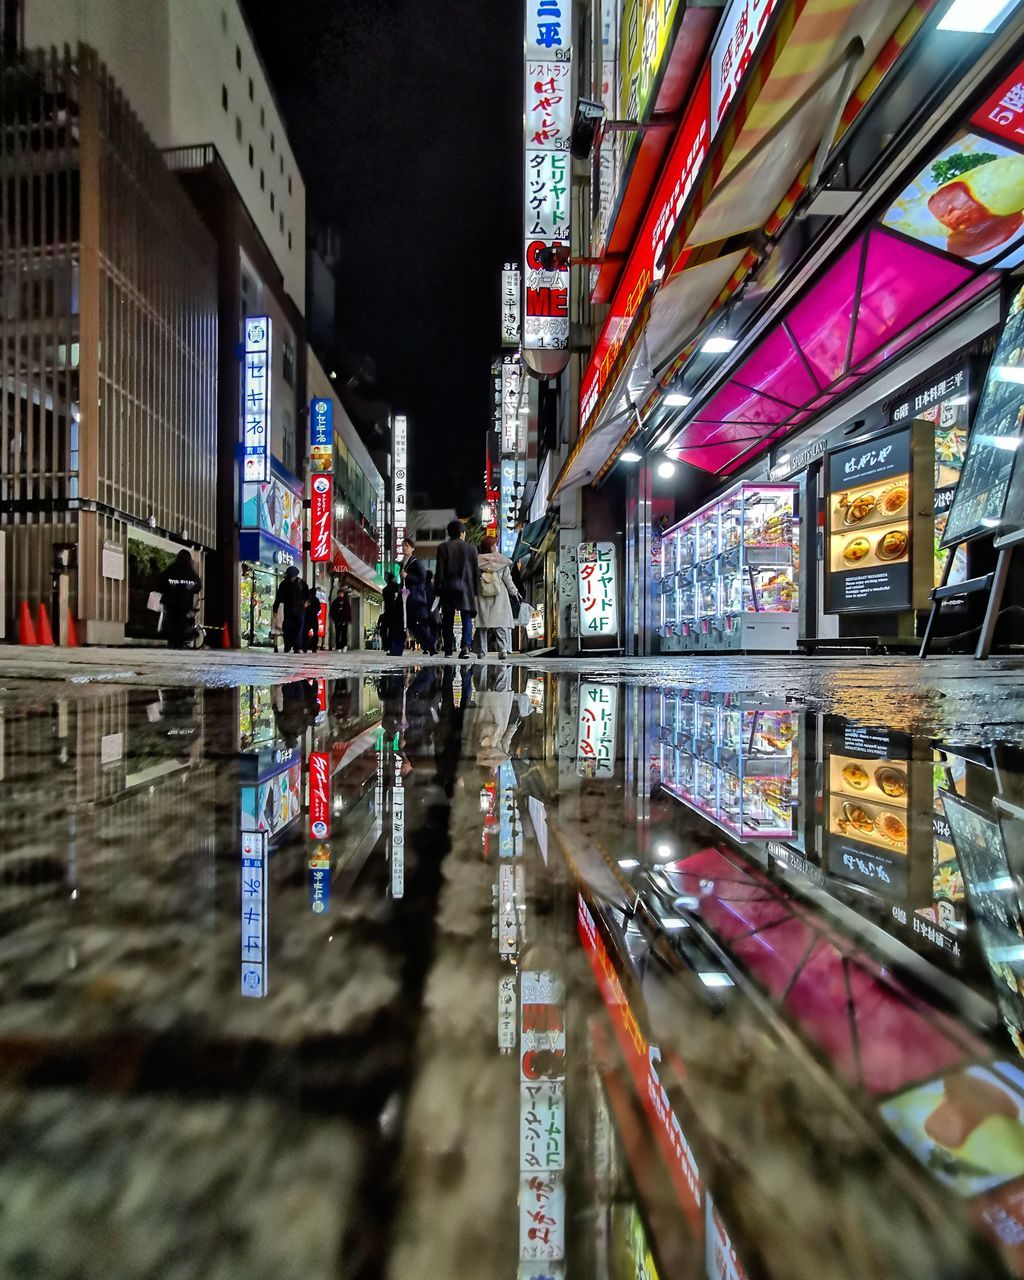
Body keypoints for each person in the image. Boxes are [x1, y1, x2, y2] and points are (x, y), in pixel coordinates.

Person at [435, 519, 479, 659]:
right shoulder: (471, 548)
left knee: (448, 619)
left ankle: (448, 649)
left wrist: (438, 589)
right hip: (466, 588)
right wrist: (476, 592)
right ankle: (466, 646)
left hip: (448, 587)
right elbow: (474, 572)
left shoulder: (443, 547)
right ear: (462, 533)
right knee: (466, 618)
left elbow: (439, 571)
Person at [473, 535, 520, 660]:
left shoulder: (477, 561)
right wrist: (514, 592)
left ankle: (482, 652)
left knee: (482, 625)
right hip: (499, 595)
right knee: (500, 624)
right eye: (495, 544)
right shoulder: (502, 561)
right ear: (493, 546)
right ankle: (502, 649)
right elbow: (507, 579)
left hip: (482, 594)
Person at [157, 548, 201, 649]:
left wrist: (169, 589)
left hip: (171, 601)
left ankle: (172, 641)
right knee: (181, 622)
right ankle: (178, 643)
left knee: (172, 620)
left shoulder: (171, 569)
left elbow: (161, 582)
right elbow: (198, 587)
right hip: (185, 602)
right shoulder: (191, 573)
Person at [400, 534, 437, 655]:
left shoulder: (416, 563)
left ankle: (431, 646)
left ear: (412, 548)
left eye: (407, 546)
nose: (404, 548)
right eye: (403, 546)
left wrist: (408, 576)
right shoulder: (403, 563)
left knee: (422, 623)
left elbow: (422, 579)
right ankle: (427, 645)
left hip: (417, 599)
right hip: (408, 599)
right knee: (411, 624)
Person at [273, 564, 309, 653]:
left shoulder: (302, 583)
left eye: (294, 576)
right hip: (288, 609)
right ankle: (288, 645)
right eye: (291, 576)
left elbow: (308, 595)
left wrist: (307, 602)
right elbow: (278, 597)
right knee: (287, 627)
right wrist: (275, 609)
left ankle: (297, 647)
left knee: (299, 628)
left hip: (300, 609)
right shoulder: (284, 584)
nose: (292, 578)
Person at [381, 572, 405, 657]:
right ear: (394, 579)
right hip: (397, 613)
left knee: (389, 631)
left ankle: (390, 648)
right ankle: (397, 650)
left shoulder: (385, 590)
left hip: (388, 612)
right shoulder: (397, 587)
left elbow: (386, 601)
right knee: (396, 632)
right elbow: (404, 593)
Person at [302, 586, 321, 653]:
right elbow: (319, 608)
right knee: (315, 633)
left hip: (307, 618)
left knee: (305, 633)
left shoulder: (307, 599)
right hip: (314, 618)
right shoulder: (316, 599)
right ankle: (314, 647)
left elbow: (304, 608)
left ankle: (305, 647)